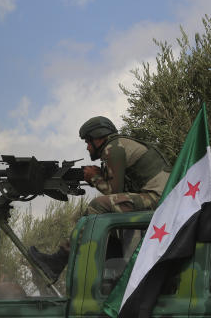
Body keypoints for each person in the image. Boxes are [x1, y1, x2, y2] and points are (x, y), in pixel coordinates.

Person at [29, 116, 171, 280]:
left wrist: (94, 178)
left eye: (88, 142)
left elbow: (114, 191)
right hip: (161, 198)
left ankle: (58, 261)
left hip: (157, 198)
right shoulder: (120, 145)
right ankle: (114, 266)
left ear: (98, 137)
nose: (88, 148)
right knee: (110, 215)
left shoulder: (113, 148)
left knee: (98, 206)